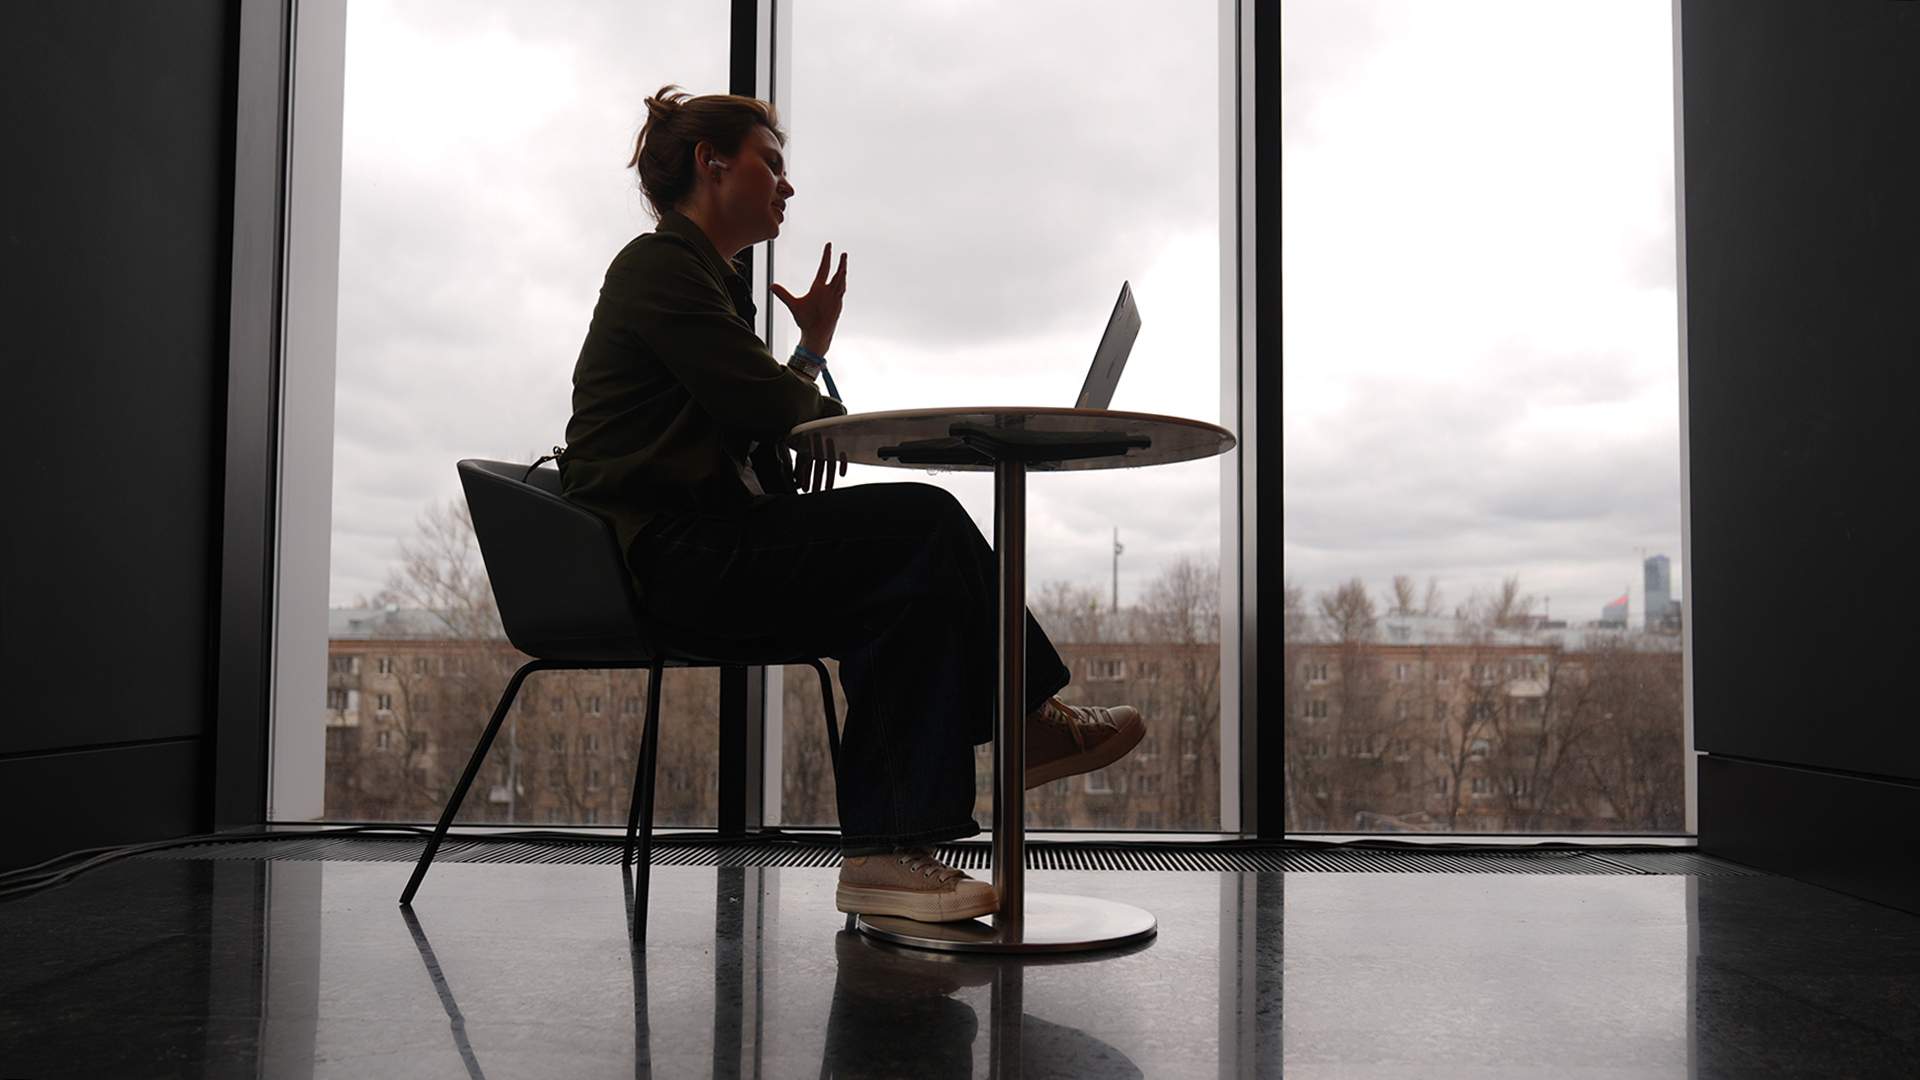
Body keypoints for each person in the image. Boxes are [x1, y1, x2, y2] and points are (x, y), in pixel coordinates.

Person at [560, 85, 1144, 923]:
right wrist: (807, 389)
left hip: (701, 542)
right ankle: (1023, 724)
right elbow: (767, 409)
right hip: (666, 557)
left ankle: (888, 852)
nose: (787, 185)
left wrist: (809, 351)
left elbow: (758, 424)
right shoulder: (658, 268)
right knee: (922, 526)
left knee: (906, 585)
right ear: (711, 163)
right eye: (772, 163)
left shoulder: (706, 281)